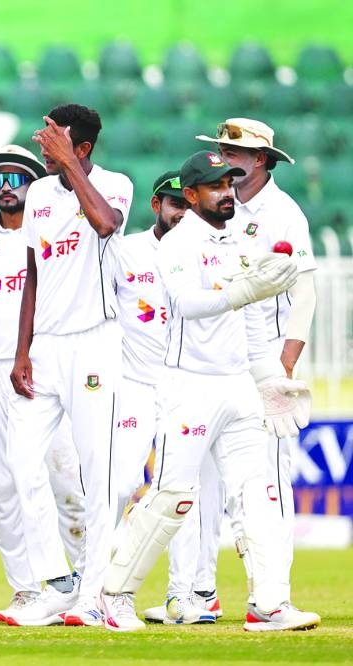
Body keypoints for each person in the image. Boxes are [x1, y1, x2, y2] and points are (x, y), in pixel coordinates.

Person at [99, 150, 319, 633]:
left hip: (238, 385)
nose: (227, 193)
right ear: (192, 194)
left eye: (230, 184)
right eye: (215, 186)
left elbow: (254, 322)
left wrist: (269, 378)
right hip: (190, 385)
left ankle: (270, 602)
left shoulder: (240, 241)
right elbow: (187, 303)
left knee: (257, 493)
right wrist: (244, 291)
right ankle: (114, 595)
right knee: (172, 497)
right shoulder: (178, 243)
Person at [6, 104, 133, 627]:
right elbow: (32, 273)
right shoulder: (38, 194)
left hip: (94, 343)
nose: (44, 149)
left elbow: (105, 224)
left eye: (55, 141)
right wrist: (21, 350)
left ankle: (94, 595)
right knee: (19, 461)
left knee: (96, 472)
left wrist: (72, 168)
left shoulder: (115, 185)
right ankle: (59, 583)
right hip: (45, 349)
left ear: (82, 148)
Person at [196, 117, 318, 629]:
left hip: (263, 357)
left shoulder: (283, 213)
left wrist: (282, 367)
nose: (225, 160)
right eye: (222, 151)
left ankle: (273, 597)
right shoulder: (214, 206)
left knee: (268, 479)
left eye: (235, 153)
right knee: (203, 478)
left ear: (262, 160)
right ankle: (197, 594)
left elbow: (304, 295)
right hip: (214, 359)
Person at [0, 145, 87, 625]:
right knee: (4, 485)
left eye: (17, 178)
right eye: (0, 178)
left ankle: (88, 582)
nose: (7, 187)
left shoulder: (52, 232)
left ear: (35, 186)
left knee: (66, 479)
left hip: (44, 367)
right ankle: (26, 590)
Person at [114, 172, 222, 625]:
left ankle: (183, 594)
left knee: (182, 491)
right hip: (134, 384)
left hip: (185, 385)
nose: (183, 213)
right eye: (175, 204)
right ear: (156, 204)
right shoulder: (125, 251)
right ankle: (98, 588)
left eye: (188, 204)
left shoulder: (207, 249)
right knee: (119, 484)